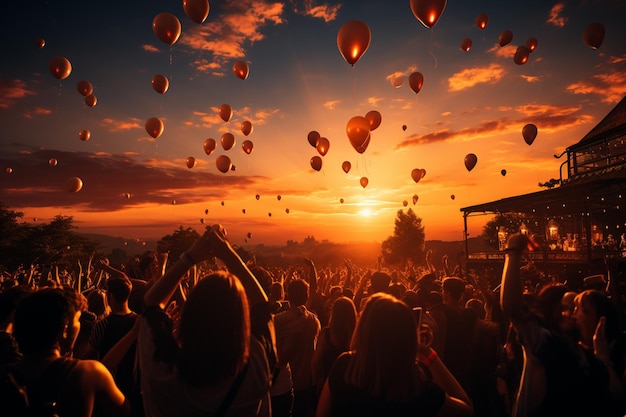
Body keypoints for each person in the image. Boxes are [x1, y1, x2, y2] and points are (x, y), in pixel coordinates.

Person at [137, 224, 276, 417]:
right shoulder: (254, 371)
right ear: (241, 318)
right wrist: (227, 253)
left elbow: (151, 304)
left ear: (190, 315)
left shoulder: (163, 374)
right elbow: (261, 307)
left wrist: (191, 257)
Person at [500, 233, 619, 417]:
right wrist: (512, 251)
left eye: (580, 309)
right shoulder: (549, 344)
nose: (568, 313)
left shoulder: (594, 362)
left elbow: (617, 405)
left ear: (600, 321)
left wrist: (603, 359)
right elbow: (513, 307)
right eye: (565, 308)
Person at [315, 293, 473, 417]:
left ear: (364, 329)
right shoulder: (418, 388)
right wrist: (428, 353)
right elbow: (466, 409)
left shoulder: (345, 366)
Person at [7, 286, 129, 417]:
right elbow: (124, 410)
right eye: (77, 319)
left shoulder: (6, 377)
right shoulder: (90, 373)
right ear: (65, 329)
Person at [274, 277, 321, 417]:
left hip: (284, 383)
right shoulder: (314, 321)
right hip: (305, 380)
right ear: (306, 296)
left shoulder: (279, 320)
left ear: (288, 294)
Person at [311, 296, 357, 401]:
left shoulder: (327, 334)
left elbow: (315, 362)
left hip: (328, 382)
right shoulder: (357, 335)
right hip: (351, 384)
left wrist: (315, 381)